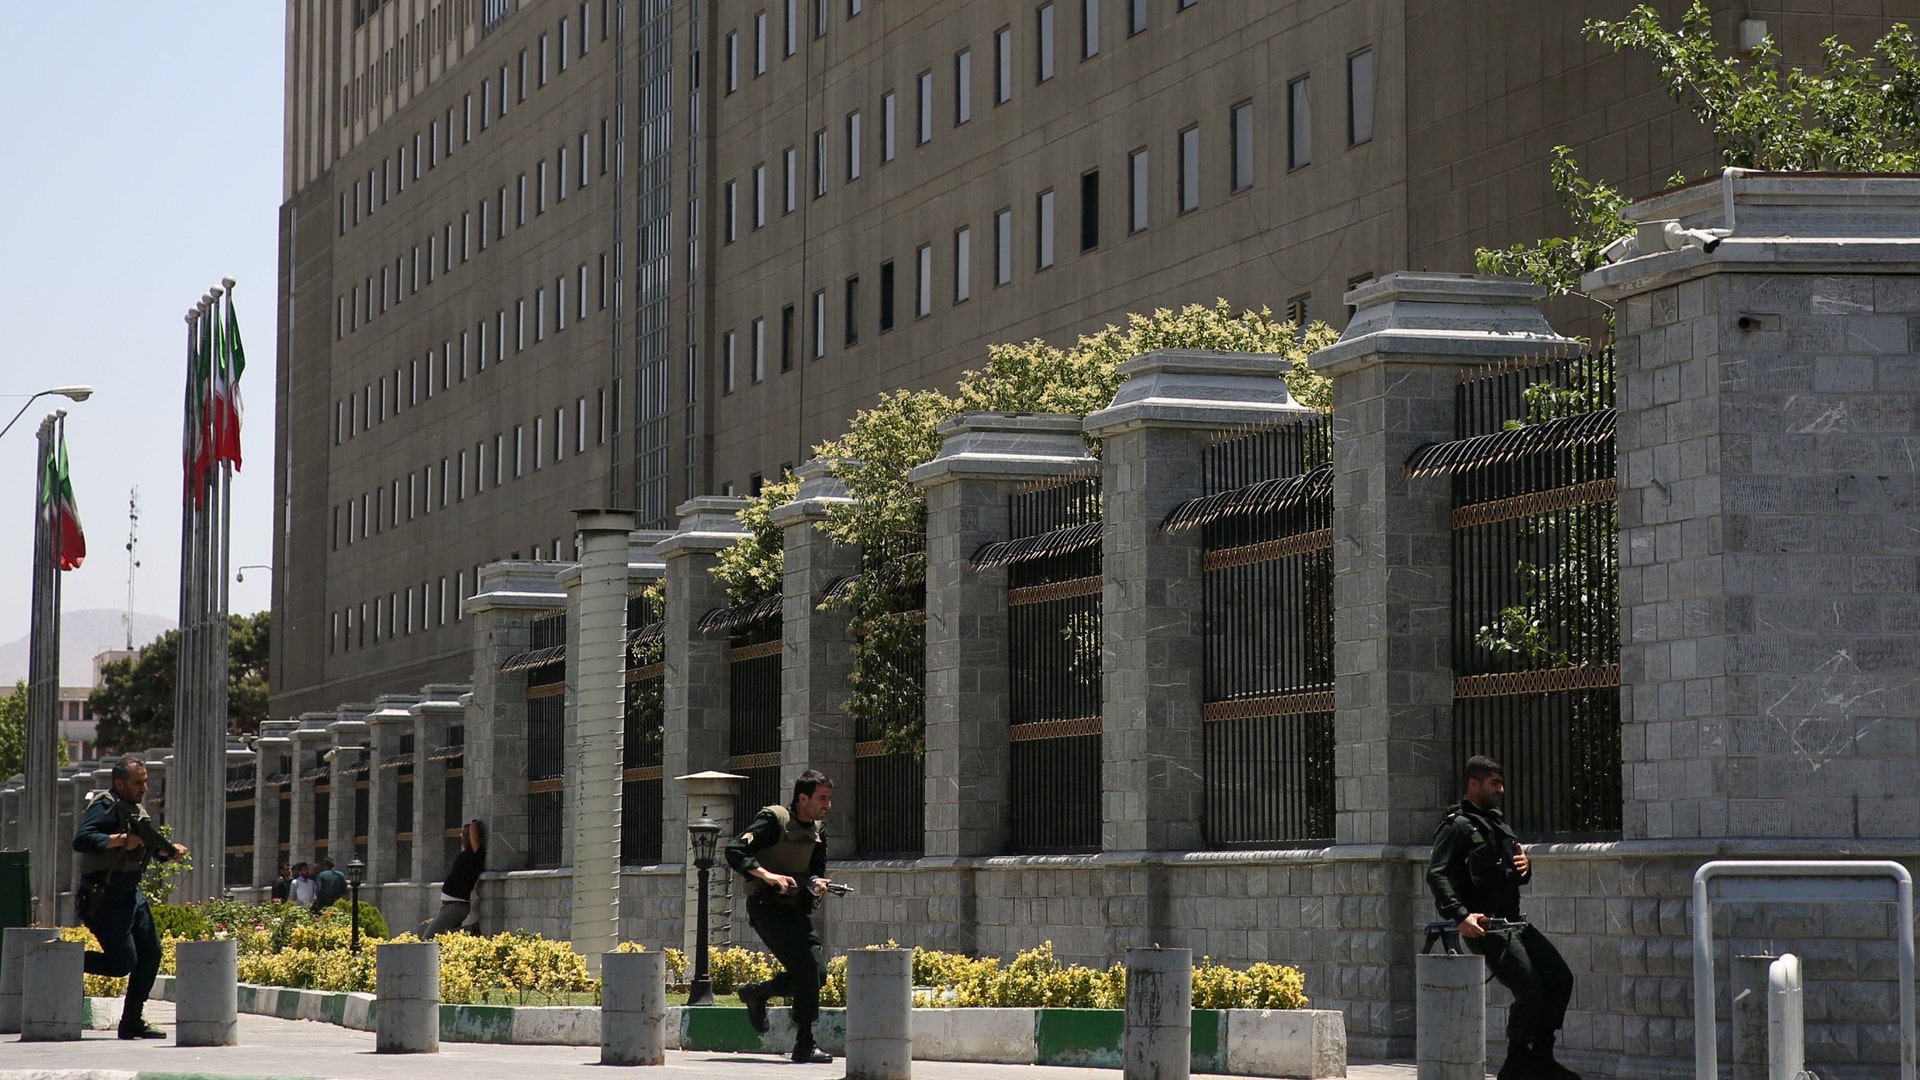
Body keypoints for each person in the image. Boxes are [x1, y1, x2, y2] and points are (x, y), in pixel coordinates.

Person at [1427, 755, 1578, 1080]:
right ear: (1474, 783)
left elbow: (1509, 873)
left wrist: (1526, 867)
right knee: (1530, 988)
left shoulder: (1497, 825)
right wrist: (1461, 917)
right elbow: (1436, 875)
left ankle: (1541, 1058)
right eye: (1494, 783)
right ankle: (1516, 1065)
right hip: (1485, 927)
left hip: (1514, 923)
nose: (1501, 789)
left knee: (1560, 978)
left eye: (1501, 782)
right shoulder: (1458, 825)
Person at [70, 755, 189, 1040]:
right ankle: (61, 962)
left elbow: (146, 846)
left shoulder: (132, 810)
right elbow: (82, 839)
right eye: (138, 782)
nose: (144, 788)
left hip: (131, 896)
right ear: (119, 782)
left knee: (151, 953)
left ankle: (132, 1020)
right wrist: (122, 839)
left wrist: (167, 851)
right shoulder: (106, 806)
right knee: (123, 963)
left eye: (145, 781)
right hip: (105, 899)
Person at [724, 769, 835, 1065]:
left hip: (795, 911)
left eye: (829, 798)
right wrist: (767, 875)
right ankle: (805, 1043)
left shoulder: (817, 831)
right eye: (822, 798)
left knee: (818, 973)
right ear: (803, 798)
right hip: (767, 908)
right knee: (806, 967)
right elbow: (734, 850)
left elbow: (816, 870)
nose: (827, 804)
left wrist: (818, 882)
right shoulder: (775, 821)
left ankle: (758, 993)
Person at [425, 820, 486, 935]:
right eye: (462, 834)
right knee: (448, 938)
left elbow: (474, 827)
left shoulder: (476, 854)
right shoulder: (466, 854)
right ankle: (468, 932)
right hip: (450, 905)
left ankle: (471, 930)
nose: (463, 838)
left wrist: (474, 823)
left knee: (430, 936)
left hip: (457, 906)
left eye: (467, 835)